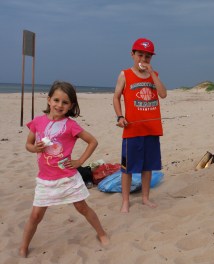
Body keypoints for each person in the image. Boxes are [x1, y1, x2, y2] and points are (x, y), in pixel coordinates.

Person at [19, 81, 109, 257]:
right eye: (56, 100)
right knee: (36, 215)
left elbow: (93, 141)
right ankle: (23, 247)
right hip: (45, 179)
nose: (59, 105)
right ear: (49, 100)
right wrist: (34, 148)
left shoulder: (71, 125)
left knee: (82, 207)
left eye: (65, 102)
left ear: (71, 106)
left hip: (67, 177)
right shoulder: (37, 122)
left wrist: (79, 161)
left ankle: (102, 233)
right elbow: (28, 145)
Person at [113, 38, 167, 212]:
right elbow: (116, 97)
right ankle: (125, 201)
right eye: (140, 55)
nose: (143, 59)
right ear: (132, 54)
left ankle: (145, 198)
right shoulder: (125, 74)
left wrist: (152, 73)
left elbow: (163, 94)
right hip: (132, 130)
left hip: (151, 129)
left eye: (147, 56)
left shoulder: (154, 75)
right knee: (127, 168)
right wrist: (120, 116)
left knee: (148, 166)